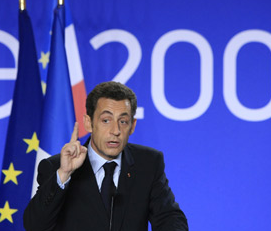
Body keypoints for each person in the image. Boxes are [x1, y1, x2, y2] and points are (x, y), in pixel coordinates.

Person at [24, 81, 188, 231]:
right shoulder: (56, 167)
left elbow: (170, 218)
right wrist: (64, 175)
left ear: (132, 126)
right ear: (89, 123)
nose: (115, 131)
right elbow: (35, 226)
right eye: (106, 120)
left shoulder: (148, 163)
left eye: (123, 122)